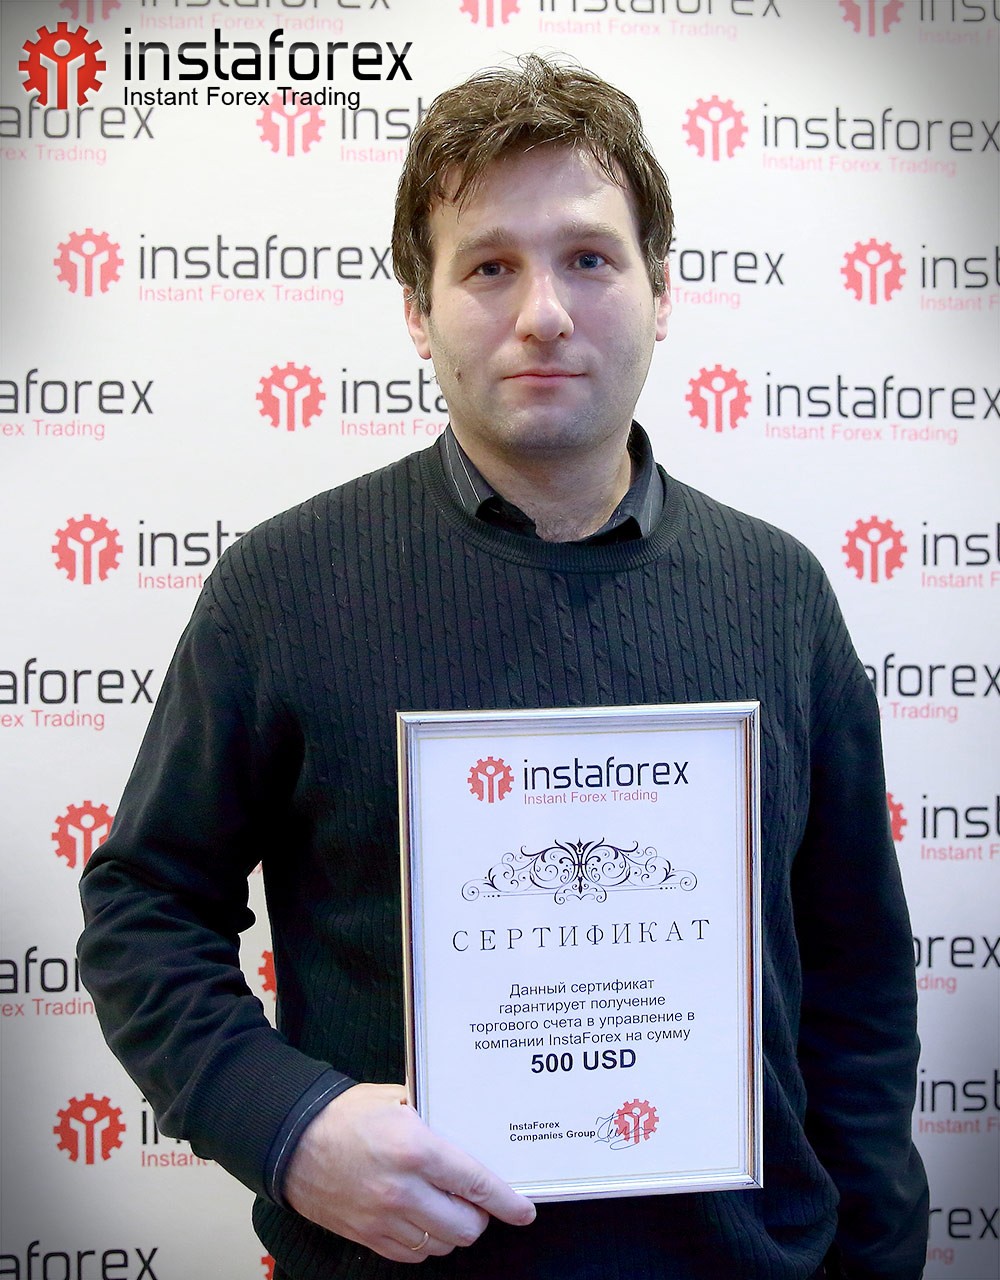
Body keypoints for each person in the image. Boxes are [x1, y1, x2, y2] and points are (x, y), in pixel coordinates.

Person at [79, 55, 928, 1280]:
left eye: (589, 258)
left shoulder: (778, 593)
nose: (543, 313)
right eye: (488, 266)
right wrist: (286, 1124)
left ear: (661, 290)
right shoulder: (283, 586)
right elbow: (146, 909)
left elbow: (856, 973)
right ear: (416, 311)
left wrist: (879, 1255)